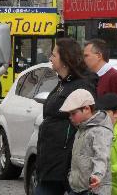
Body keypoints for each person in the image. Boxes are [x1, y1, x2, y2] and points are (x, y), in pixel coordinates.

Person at [34, 38, 97, 195]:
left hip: (67, 161)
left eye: (54, 55)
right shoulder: (62, 83)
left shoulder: (82, 85)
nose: (50, 58)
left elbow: (87, 120)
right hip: (50, 159)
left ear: (65, 59)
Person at [59, 89, 113, 195]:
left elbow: (101, 156)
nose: (70, 117)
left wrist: (97, 175)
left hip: (94, 190)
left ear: (87, 108)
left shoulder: (100, 130)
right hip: (78, 188)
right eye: (69, 114)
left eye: (73, 113)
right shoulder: (81, 129)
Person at [83, 39, 117, 133]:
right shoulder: (91, 78)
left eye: (86, 56)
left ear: (99, 55)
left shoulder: (116, 78)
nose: (83, 59)